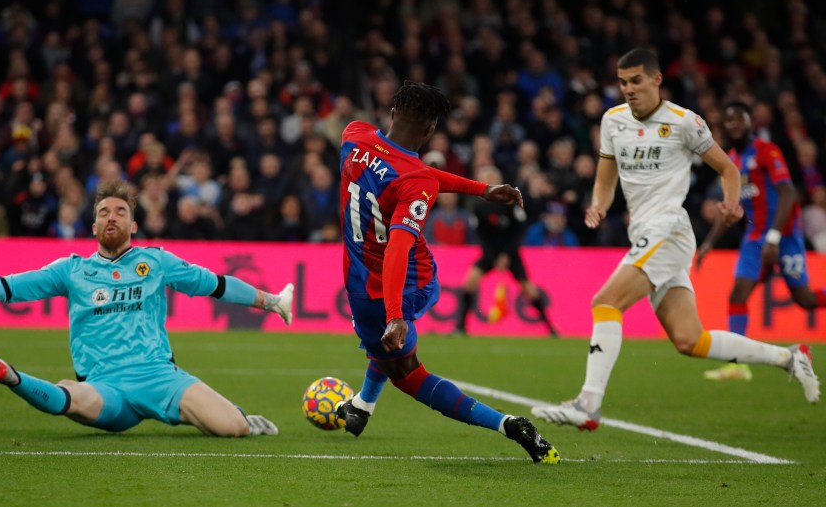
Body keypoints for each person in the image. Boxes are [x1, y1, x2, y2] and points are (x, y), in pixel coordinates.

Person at [531, 49, 819, 431]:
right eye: (622, 82)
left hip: (669, 230)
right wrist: (598, 205)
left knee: (605, 302)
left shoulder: (684, 122)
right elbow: (606, 176)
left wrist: (731, 202)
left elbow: (728, 168)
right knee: (689, 341)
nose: (628, 89)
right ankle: (790, 358)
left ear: (656, 79)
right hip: (646, 234)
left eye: (636, 80)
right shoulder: (613, 121)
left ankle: (588, 404)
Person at [0, 180, 293, 437]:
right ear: (93, 227)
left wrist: (271, 301)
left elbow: (217, 285)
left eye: (120, 212)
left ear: (134, 225)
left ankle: (229, 415)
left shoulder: (158, 262)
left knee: (233, 428)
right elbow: (7, 286)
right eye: (103, 212)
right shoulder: (71, 271)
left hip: (159, 376)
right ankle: (10, 376)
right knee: (72, 399)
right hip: (106, 386)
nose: (111, 217)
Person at [333, 82, 559, 464]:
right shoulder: (417, 179)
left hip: (387, 285)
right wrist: (482, 189)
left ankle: (506, 424)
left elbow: (398, 250)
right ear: (430, 131)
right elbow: (416, 176)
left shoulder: (353, 134)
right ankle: (362, 404)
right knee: (388, 355)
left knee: (406, 372)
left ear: (392, 113)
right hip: (397, 276)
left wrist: (395, 315)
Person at [695, 101, 826, 381]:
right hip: (754, 239)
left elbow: (789, 193)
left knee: (805, 299)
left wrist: (775, 237)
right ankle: (737, 365)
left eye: (738, 119)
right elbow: (729, 207)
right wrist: (708, 243)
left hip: (785, 236)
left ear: (749, 122)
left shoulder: (767, 151)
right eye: (728, 121)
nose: (733, 125)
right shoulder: (730, 160)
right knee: (737, 294)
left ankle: (738, 362)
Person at [456, 165, 557, 336]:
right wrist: (494, 257)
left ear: (499, 180)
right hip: (490, 253)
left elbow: (518, 233)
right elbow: (482, 236)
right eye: (484, 177)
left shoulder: (510, 201)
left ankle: (550, 328)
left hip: (510, 253)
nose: (488, 180)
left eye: (491, 177)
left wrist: (505, 255)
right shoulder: (478, 207)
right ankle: (460, 327)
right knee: (468, 283)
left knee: (528, 289)